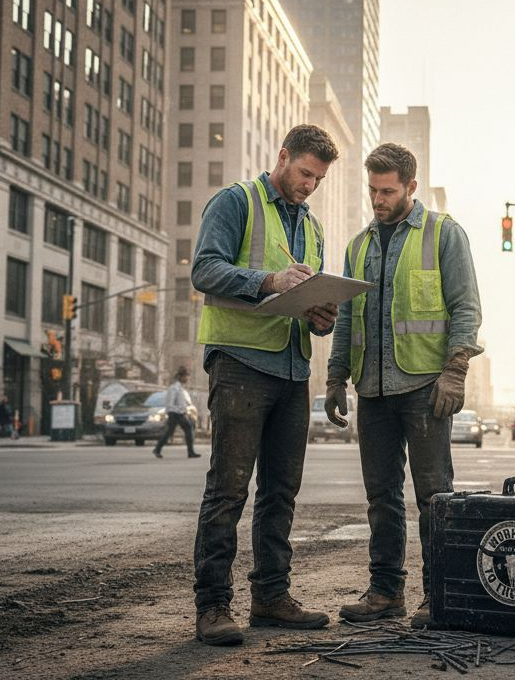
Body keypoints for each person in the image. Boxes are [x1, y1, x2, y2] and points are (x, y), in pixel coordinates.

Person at [189, 124, 341, 647]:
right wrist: (268, 282)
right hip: (239, 364)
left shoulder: (313, 228)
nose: (309, 186)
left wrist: (321, 317)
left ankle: (271, 597)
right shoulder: (236, 202)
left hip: (293, 368)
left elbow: (305, 300)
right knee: (228, 489)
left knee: (281, 493)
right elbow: (205, 270)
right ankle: (212, 606)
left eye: (318, 179)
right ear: (282, 158)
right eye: (304, 174)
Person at [326, 143, 483, 629]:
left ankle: (440, 596)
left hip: (423, 387)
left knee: (434, 496)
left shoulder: (443, 234)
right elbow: (347, 316)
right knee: (381, 497)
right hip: (371, 391)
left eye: (387, 191)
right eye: (372, 190)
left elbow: (465, 307)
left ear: (411, 187)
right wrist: (335, 377)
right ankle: (385, 592)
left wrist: (455, 370)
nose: (378, 199)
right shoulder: (359, 245)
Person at [154, 366, 201, 459]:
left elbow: (184, 403)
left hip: (180, 414)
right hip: (174, 414)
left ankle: (190, 452)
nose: (187, 378)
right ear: (180, 377)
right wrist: (181, 411)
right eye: (186, 376)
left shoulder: (181, 389)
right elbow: (170, 404)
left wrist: (185, 410)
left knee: (187, 429)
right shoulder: (174, 388)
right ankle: (157, 449)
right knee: (170, 432)